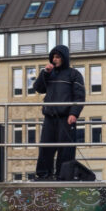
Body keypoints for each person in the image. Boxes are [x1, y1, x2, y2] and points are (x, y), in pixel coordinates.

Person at [32, 44, 85, 180]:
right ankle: (44, 175)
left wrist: (74, 113)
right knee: (46, 147)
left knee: (65, 148)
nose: (54, 60)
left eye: (57, 57)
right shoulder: (49, 73)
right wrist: (45, 73)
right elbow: (38, 88)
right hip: (49, 117)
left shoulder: (74, 74)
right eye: (53, 57)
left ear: (64, 58)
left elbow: (79, 96)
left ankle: (63, 175)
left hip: (65, 117)